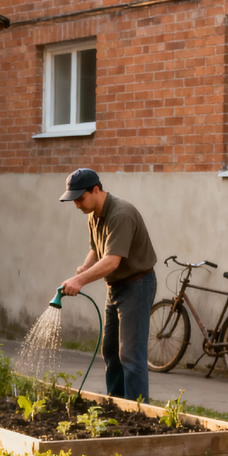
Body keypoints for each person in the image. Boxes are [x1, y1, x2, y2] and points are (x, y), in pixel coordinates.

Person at [59, 167, 158, 401]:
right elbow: (98, 249)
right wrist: (85, 267)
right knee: (111, 351)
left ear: (96, 190)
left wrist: (79, 280)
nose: (77, 205)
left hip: (137, 285)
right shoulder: (94, 215)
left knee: (131, 355)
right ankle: (116, 404)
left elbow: (112, 261)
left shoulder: (120, 214)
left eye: (80, 199)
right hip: (115, 288)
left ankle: (137, 413)